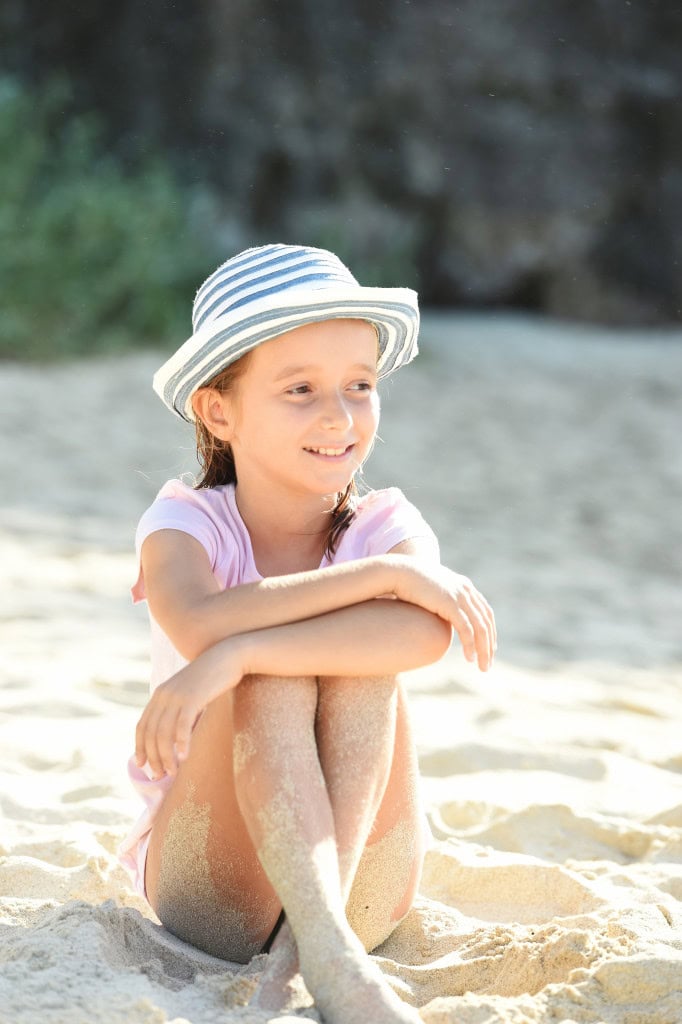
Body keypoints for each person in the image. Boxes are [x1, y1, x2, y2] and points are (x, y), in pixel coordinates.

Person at [120, 243, 496, 1024]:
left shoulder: (387, 522)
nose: (340, 415)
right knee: (280, 671)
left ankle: (315, 954)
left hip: (367, 887)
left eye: (360, 386)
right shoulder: (183, 526)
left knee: (345, 661)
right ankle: (319, 956)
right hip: (211, 890)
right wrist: (379, 578)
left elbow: (422, 639)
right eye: (300, 390)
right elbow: (195, 620)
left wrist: (243, 650)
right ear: (219, 411)